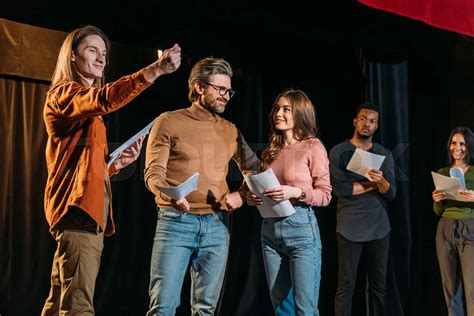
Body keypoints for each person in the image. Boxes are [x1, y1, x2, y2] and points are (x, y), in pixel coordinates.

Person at [41, 25, 181, 315]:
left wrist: (113, 165)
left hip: (82, 210)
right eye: (92, 50)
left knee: (59, 303)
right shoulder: (65, 95)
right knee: (78, 306)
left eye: (104, 53)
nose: (101, 58)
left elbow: (80, 164)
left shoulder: (81, 107)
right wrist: (154, 70)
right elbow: (104, 100)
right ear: (72, 56)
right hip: (78, 211)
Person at [144, 56, 260, 315]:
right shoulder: (169, 121)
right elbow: (153, 173)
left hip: (217, 227)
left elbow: (255, 169)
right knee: (163, 306)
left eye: (229, 91)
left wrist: (242, 196)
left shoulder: (230, 129)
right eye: (220, 89)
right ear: (199, 88)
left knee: (206, 309)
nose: (226, 96)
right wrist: (171, 194)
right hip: (175, 222)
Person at [246, 88, 332, 315]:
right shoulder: (269, 152)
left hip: (301, 230)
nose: (278, 113)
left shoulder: (313, 146)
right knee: (282, 308)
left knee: (305, 309)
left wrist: (295, 192)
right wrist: (253, 198)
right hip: (270, 232)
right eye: (276, 108)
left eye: (286, 109)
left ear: (300, 113)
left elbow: (325, 195)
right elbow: (262, 190)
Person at [329, 102, 396, 316]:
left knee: (378, 286)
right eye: (364, 119)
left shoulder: (383, 154)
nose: (367, 124)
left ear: (376, 127)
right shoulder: (340, 151)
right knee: (346, 286)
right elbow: (339, 188)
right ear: (355, 121)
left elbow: (391, 193)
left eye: (373, 121)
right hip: (349, 227)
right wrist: (370, 185)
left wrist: (381, 181)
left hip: (378, 228)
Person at [432, 126, 474, 316]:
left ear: (469, 146)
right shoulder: (443, 171)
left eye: (462, 143)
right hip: (445, 227)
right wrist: (437, 200)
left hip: (469, 227)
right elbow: (438, 211)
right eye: (454, 143)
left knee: (471, 286)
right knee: (450, 288)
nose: (457, 147)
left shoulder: (473, 172)